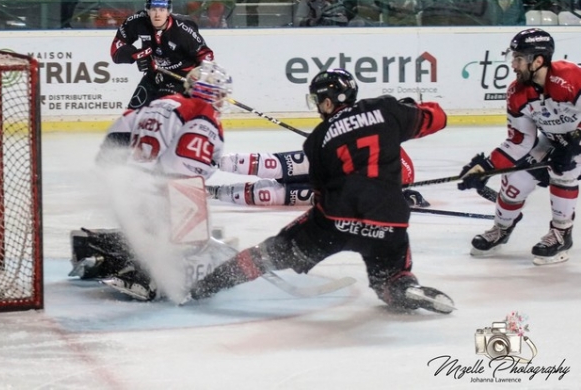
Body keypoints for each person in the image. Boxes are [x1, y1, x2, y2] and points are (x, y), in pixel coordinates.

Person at [188, 68, 454, 314]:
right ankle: (402, 287)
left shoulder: (317, 139)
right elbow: (439, 118)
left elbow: (319, 191)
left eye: (318, 100)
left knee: (267, 254)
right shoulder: (386, 109)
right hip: (389, 220)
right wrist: (406, 109)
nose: (317, 106)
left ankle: (207, 286)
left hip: (334, 223)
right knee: (390, 276)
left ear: (328, 101)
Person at [69, 61, 234, 301]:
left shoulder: (170, 110)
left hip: (147, 189)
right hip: (151, 190)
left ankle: (129, 258)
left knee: (166, 236)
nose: (222, 100)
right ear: (207, 90)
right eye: (219, 94)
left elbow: (111, 151)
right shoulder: (189, 112)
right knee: (171, 237)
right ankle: (140, 269)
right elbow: (174, 167)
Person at [457, 29, 579, 265]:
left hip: (576, 141)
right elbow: (519, 141)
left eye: (519, 58)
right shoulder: (517, 93)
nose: (513, 65)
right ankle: (502, 229)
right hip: (556, 141)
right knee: (515, 180)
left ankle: (562, 234)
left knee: (564, 169)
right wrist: (486, 167)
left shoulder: (570, 77)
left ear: (538, 60)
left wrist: (575, 143)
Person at [209, 146, 429, 208]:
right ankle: (209, 160)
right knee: (273, 165)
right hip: (331, 162)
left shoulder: (397, 168)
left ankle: (213, 192)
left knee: (269, 194)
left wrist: (405, 196)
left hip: (338, 187)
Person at [110, 0, 214, 109]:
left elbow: (206, 55)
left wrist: (201, 78)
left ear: (168, 12)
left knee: (161, 114)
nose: (157, 14)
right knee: (131, 115)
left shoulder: (183, 30)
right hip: (153, 75)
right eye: (153, 9)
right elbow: (115, 50)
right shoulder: (138, 21)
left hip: (180, 78)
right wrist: (136, 55)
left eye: (162, 9)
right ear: (147, 11)